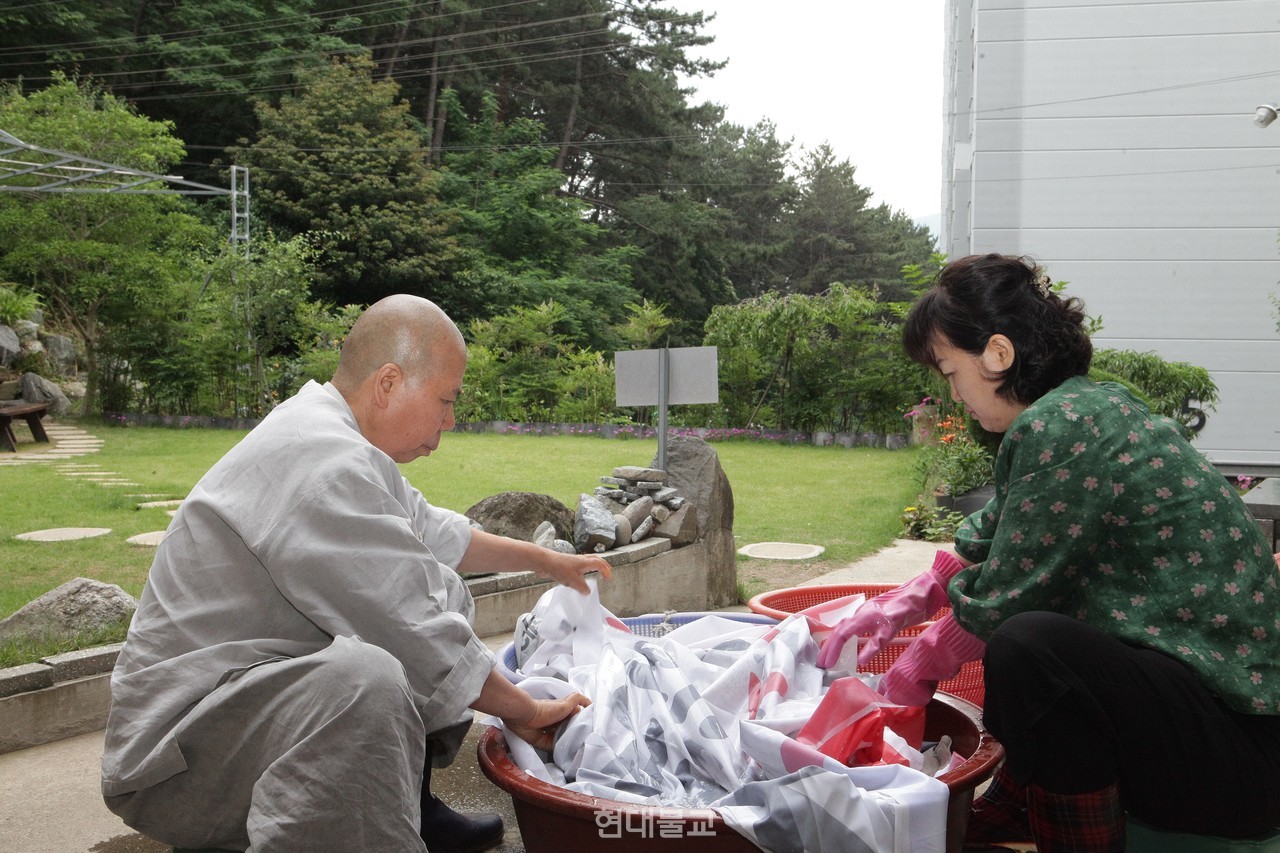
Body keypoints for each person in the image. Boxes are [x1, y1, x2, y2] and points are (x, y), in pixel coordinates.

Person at [101, 294, 612, 853]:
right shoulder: (321, 465)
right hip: (177, 762)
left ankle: (402, 805)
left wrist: (547, 560)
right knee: (364, 683)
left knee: (443, 590)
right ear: (388, 383)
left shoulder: (334, 435)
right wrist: (528, 709)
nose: (451, 420)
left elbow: (434, 533)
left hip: (238, 711)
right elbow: (416, 631)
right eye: (445, 399)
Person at [817, 254, 1280, 851]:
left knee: (1030, 647)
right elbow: (996, 535)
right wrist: (898, 606)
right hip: (1216, 730)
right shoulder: (1084, 408)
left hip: (1237, 757)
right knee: (1032, 647)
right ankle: (1021, 801)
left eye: (949, 372)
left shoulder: (1061, 426)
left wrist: (916, 669)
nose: (952, 395)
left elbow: (1009, 598)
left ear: (997, 354)